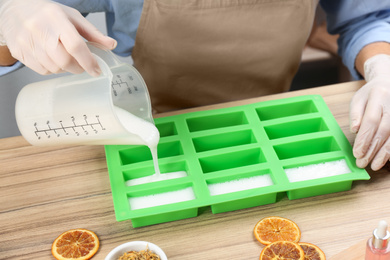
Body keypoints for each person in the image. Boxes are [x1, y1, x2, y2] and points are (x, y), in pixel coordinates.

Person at [0, 0, 390, 172]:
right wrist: (12, 13)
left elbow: (365, 17)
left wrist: (382, 67)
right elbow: (8, 48)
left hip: (273, 113)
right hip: (150, 119)